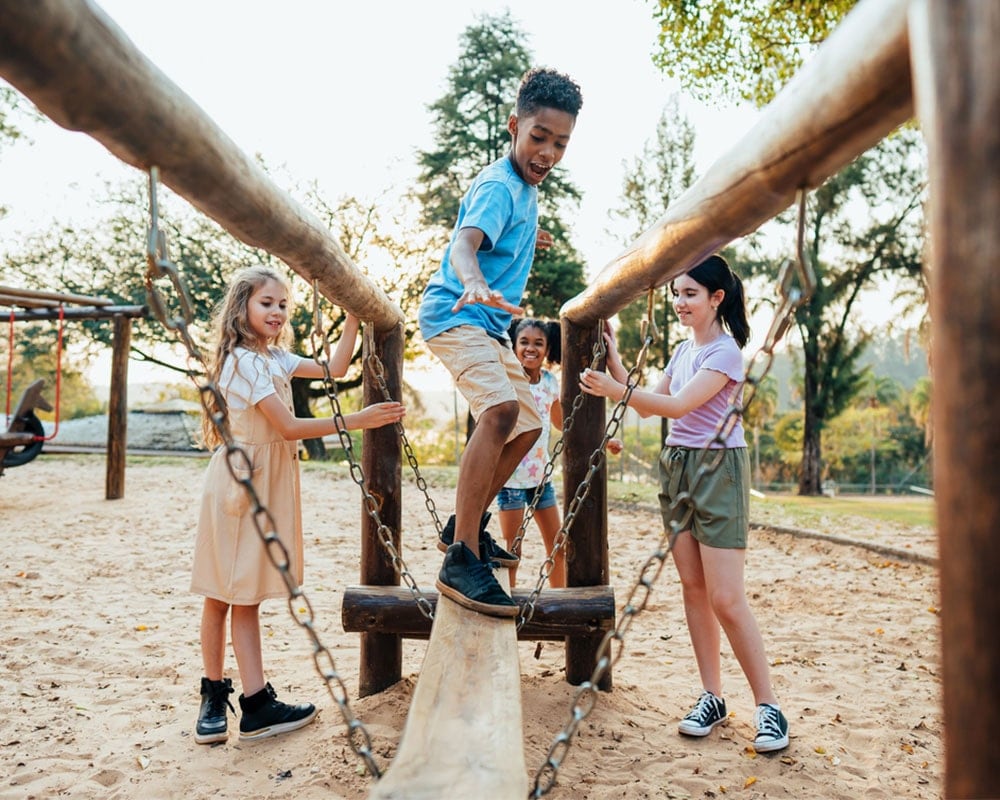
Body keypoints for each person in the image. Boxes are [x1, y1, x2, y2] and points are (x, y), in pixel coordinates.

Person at [578, 254, 789, 754]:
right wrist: (612, 359)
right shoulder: (681, 350)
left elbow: (674, 407)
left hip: (718, 470)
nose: (679, 302)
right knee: (693, 589)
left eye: (690, 294)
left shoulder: (727, 353)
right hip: (678, 467)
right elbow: (652, 398)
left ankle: (769, 706)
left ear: (717, 298)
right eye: (676, 294)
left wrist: (614, 390)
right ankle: (712, 696)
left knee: (726, 598)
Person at [190, 265, 405, 745]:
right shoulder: (244, 361)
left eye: (283, 305)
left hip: (266, 480)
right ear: (242, 306)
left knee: (244, 593)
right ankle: (214, 693)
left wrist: (352, 316)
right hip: (241, 483)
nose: (277, 311)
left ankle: (255, 701)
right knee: (221, 591)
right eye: (267, 303)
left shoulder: (274, 358)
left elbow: (336, 368)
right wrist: (359, 419)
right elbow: (287, 426)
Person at [418, 66, 583, 616]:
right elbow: (465, 244)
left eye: (560, 143)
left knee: (530, 424)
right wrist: (472, 279)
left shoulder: (523, 191)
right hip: (456, 314)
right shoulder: (497, 185)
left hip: (487, 328)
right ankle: (461, 557)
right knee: (500, 411)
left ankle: (461, 526)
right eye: (538, 137)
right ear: (515, 126)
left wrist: (527, 234)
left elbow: (500, 227)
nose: (548, 152)